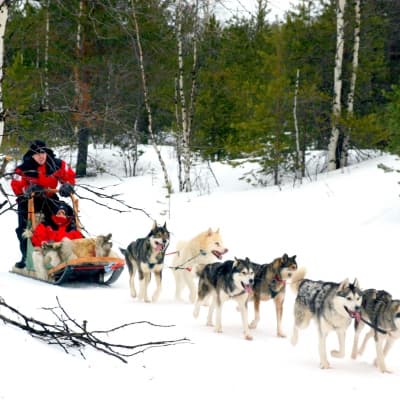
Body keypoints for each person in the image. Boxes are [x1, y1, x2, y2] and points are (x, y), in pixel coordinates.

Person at [11, 140, 76, 268]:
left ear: (46, 152)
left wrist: (68, 185)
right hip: (28, 200)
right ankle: (26, 256)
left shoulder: (57, 164)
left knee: (64, 215)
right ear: (32, 155)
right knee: (24, 228)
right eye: (37, 154)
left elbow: (69, 175)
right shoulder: (23, 168)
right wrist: (28, 189)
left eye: (43, 153)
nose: (40, 156)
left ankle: (67, 248)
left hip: (49, 196)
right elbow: (16, 186)